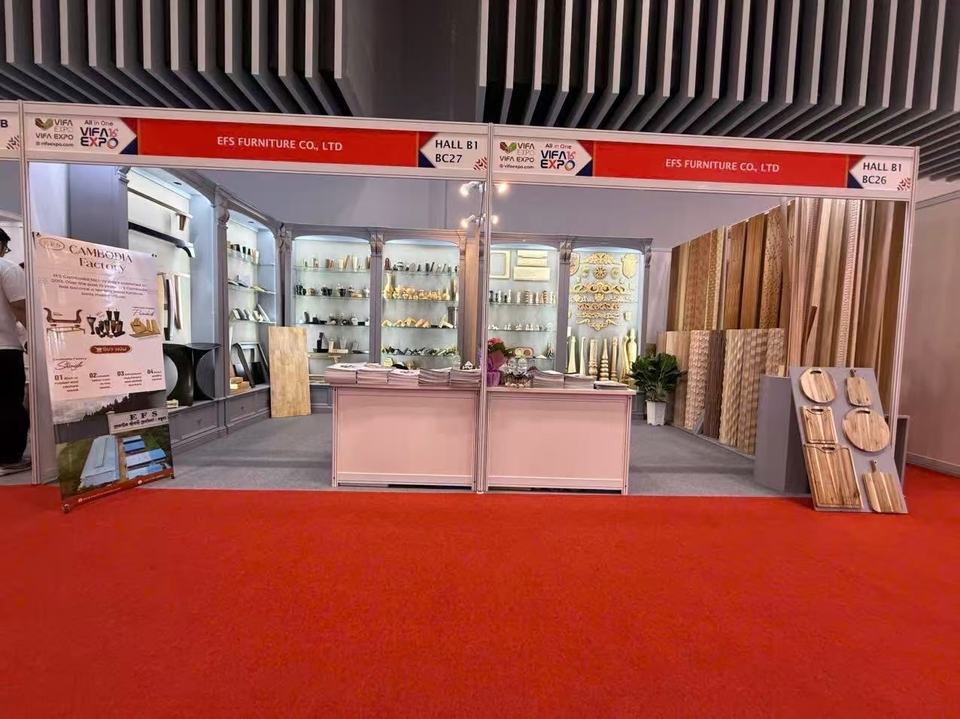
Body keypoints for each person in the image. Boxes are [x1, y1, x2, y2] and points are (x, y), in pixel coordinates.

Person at [0, 228, 30, 474]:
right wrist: (39, 339)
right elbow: (20, 307)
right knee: (9, 402)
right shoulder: (7, 268)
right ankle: (9, 457)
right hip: (5, 349)